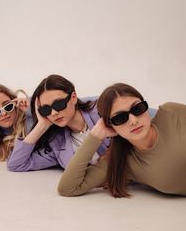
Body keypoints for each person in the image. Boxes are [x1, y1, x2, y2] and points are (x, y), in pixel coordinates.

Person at [58, 83, 186, 197]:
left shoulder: (171, 114)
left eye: (138, 109)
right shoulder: (121, 161)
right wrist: (95, 135)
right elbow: (68, 188)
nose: (134, 121)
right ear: (109, 125)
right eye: (120, 118)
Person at [7, 74, 111, 171]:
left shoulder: (102, 111)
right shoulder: (57, 145)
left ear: (73, 97)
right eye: (46, 109)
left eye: (59, 104)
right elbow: (16, 164)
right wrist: (42, 125)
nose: (54, 113)